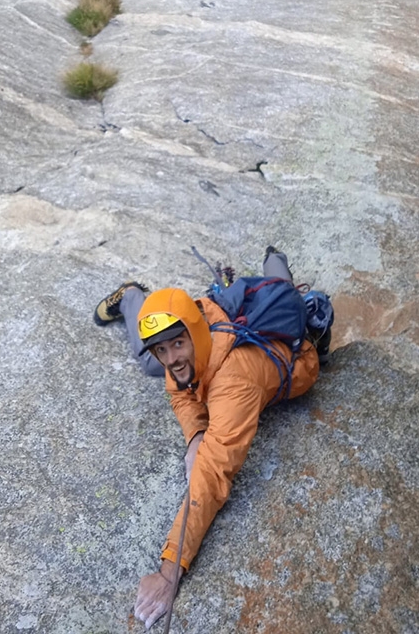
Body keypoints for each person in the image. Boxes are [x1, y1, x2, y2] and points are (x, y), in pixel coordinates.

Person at [93, 248, 325, 629]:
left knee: (289, 296)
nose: (171, 358)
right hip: (222, 324)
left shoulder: (235, 384)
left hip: (272, 358)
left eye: (177, 345)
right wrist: (195, 434)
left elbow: (212, 477)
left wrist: (170, 572)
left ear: (195, 333)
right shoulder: (187, 339)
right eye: (163, 347)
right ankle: (132, 295)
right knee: (149, 363)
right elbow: (179, 389)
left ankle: (275, 260)